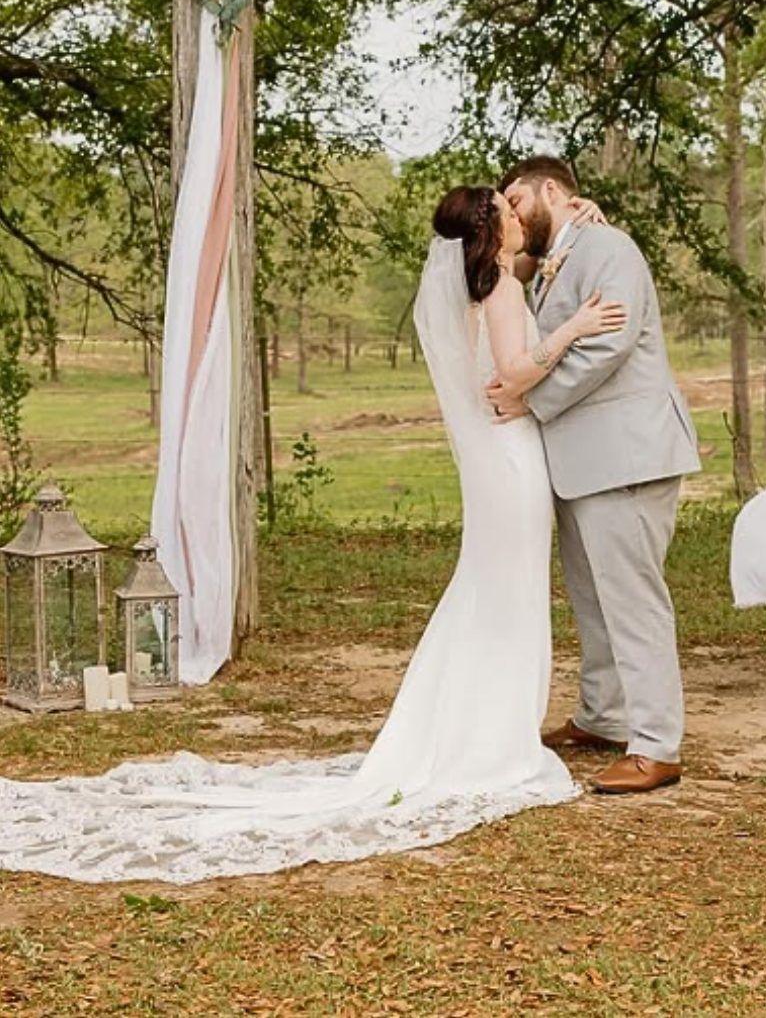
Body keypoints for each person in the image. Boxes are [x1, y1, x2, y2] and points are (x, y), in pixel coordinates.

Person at [0, 185, 619, 884]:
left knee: (489, 590)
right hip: (512, 462)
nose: (518, 217)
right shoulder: (501, 291)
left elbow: (522, 298)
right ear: (491, 230)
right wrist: (578, 326)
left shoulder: (488, 287)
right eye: (509, 212)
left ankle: (468, 730)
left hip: (495, 464)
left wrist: (573, 227)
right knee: (504, 595)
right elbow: (514, 371)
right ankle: (490, 741)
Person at [488, 156, 701, 795]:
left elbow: (609, 346)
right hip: (584, 462)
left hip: (628, 455)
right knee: (592, 596)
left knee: (633, 598)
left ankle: (657, 746)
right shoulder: (556, 255)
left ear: (553, 190)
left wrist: (534, 402)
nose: (514, 215)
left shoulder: (608, 246)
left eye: (519, 200)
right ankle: (604, 714)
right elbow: (505, 266)